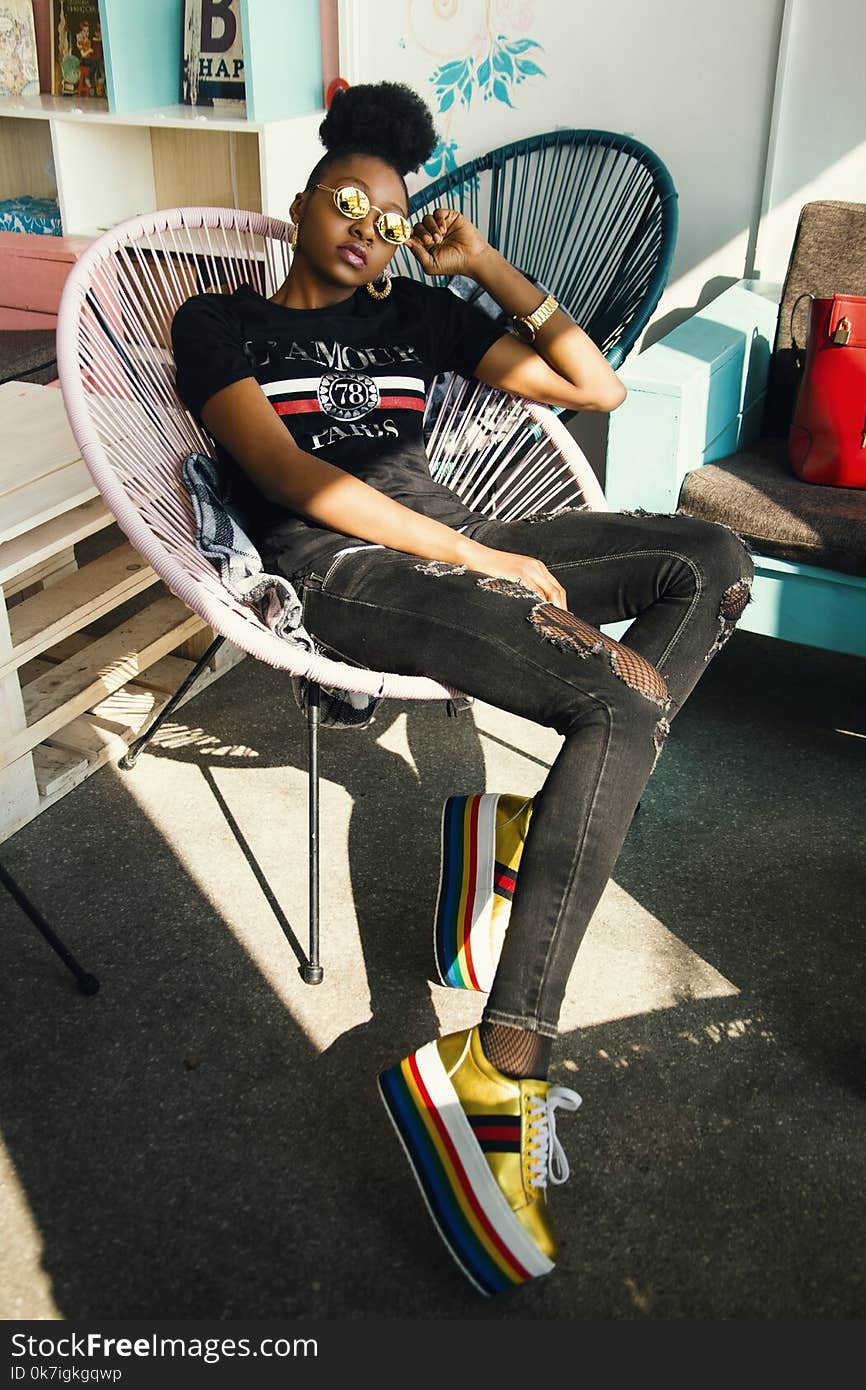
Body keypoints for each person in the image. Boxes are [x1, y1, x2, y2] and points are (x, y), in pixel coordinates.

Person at [171, 81, 754, 1297]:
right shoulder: (218, 320)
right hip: (343, 571)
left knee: (712, 557)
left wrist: (483, 262)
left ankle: (535, 827)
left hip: (456, 542)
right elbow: (285, 471)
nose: (364, 226)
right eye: (347, 200)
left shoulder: (420, 315)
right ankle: (501, 1060)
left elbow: (594, 387)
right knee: (619, 704)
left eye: (388, 218)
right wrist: (487, 557)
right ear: (299, 200)